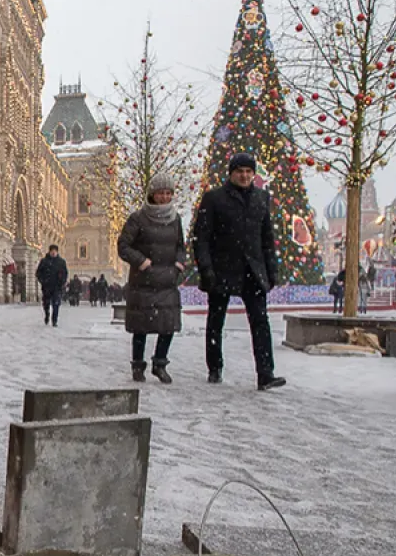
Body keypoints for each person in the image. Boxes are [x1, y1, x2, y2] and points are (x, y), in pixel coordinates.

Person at [193, 152, 287, 390]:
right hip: (222, 269)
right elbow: (201, 238)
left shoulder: (261, 198)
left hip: (253, 271)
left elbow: (267, 239)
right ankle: (215, 367)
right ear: (231, 174)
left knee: (260, 322)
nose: (244, 176)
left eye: (248, 171)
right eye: (239, 171)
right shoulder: (214, 199)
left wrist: (271, 270)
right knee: (216, 321)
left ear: (253, 174)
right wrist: (206, 269)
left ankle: (265, 373)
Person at [118, 172, 187, 384]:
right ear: (152, 194)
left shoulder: (175, 220)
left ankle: (160, 363)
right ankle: (137, 366)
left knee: (168, 325)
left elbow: (180, 247)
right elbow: (123, 246)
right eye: (160, 193)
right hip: (144, 281)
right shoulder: (138, 218)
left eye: (168, 193)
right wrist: (141, 261)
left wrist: (179, 264)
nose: (164, 197)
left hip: (167, 280)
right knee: (141, 327)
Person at [36, 244, 68, 327]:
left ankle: (54, 320)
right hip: (46, 286)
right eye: (52, 251)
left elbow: (65, 273)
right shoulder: (44, 261)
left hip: (57, 287)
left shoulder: (61, 262)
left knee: (56, 304)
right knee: (46, 303)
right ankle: (47, 314)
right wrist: (43, 281)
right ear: (49, 251)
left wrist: (63, 281)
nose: (53, 253)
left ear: (57, 252)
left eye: (55, 251)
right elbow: (38, 273)